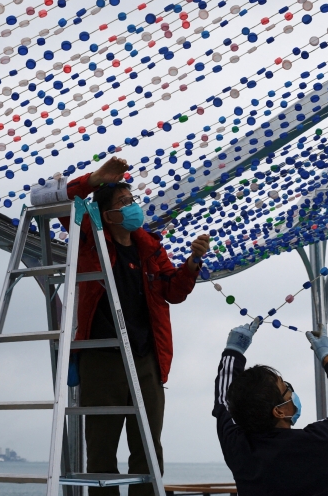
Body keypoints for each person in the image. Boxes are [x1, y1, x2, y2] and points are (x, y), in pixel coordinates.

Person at [61, 156, 210, 495]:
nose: (132, 207)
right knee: (101, 447)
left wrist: (192, 263)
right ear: (106, 214)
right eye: (123, 202)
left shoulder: (150, 248)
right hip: (102, 356)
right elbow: (64, 201)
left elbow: (174, 291)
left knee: (148, 445)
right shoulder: (90, 240)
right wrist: (95, 180)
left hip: (146, 357)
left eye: (132, 201)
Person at [214, 319, 328, 495]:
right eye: (286, 388)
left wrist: (234, 350)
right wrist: (327, 357)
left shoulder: (239, 448)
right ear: (279, 411)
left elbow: (224, 400)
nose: (292, 393)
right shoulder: (321, 443)